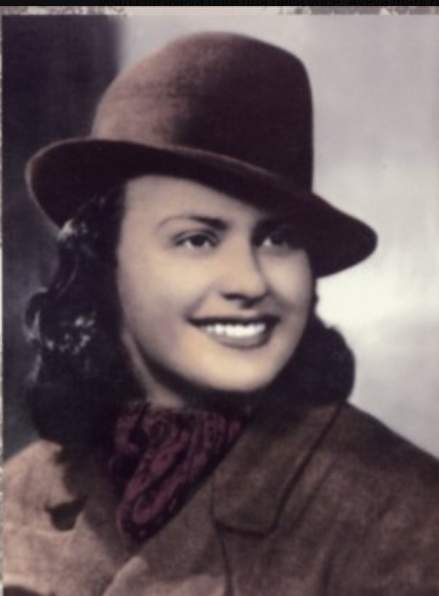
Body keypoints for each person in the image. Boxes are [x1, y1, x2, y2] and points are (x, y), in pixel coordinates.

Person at [4, 32, 439, 596]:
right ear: (105, 263)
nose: (250, 282)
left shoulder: (409, 516)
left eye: (278, 239)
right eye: (197, 240)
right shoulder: (17, 493)